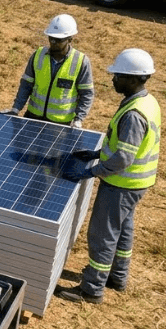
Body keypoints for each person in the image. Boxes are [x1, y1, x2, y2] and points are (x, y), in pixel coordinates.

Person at [58, 49, 160, 304]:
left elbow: (123, 159)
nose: (112, 79)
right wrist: (95, 153)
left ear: (134, 79)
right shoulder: (147, 101)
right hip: (137, 184)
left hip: (121, 184)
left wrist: (90, 172)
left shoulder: (134, 115)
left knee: (103, 234)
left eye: (118, 76)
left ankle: (92, 289)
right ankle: (118, 277)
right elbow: (122, 147)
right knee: (123, 229)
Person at [1, 14, 94, 128]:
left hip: (60, 125)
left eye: (58, 40)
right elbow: (26, 85)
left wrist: (79, 119)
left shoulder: (81, 61)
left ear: (70, 39)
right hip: (32, 118)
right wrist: (16, 109)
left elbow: (87, 94)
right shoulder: (38, 55)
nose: (53, 43)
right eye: (51, 38)